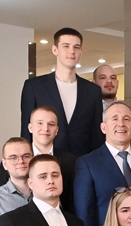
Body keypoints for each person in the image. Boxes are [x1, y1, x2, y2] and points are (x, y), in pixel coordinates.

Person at [74, 101, 131, 226]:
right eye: (115, 118)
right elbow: (84, 215)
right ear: (103, 127)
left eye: (126, 119)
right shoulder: (87, 164)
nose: (121, 124)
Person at [20, 27, 104, 155]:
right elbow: (26, 131)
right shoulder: (34, 86)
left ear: (81, 52)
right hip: (46, 160)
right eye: (66, 46)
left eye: (76, 47)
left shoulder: (93, 91)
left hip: (82, 160)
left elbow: (96, 135)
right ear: (55, 50)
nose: (71, 51)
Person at [0, 106, 77, 212]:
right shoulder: (13, 161)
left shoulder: (71, 161)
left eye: (51, 124)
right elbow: (3, 197)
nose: (45, 128)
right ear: (30, 127)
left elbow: (72, 200)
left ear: (57, 130)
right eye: (40, 123)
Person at [0, 137, 33, 225]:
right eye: (13, 157)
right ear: (4, 164)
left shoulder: (47, 192)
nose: (21, 161)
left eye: (26, 156)